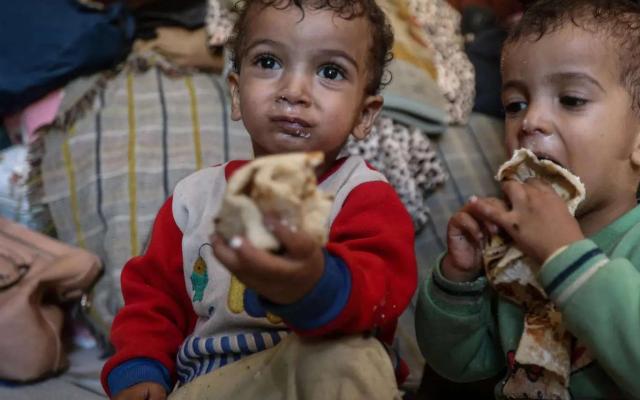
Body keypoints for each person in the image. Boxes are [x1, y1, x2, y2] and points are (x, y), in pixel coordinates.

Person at [415, 0, 640, 398]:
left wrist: (564, 254)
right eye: (515, 105)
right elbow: (461, 364)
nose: (530, 121)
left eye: (571, 100)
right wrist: (459, 279)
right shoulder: (514, 246)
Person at [101, 1, 417, 398]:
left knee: (353, 356)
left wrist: (310, 283)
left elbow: (380, 294)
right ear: (236, 93)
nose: (293, 92)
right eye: (269, 63)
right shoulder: (193, 199)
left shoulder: (363, 195)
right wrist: (140, 368)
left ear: (364, 116)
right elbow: (152, 300)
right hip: (212, 384)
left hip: (313, 376)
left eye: (330, 72)